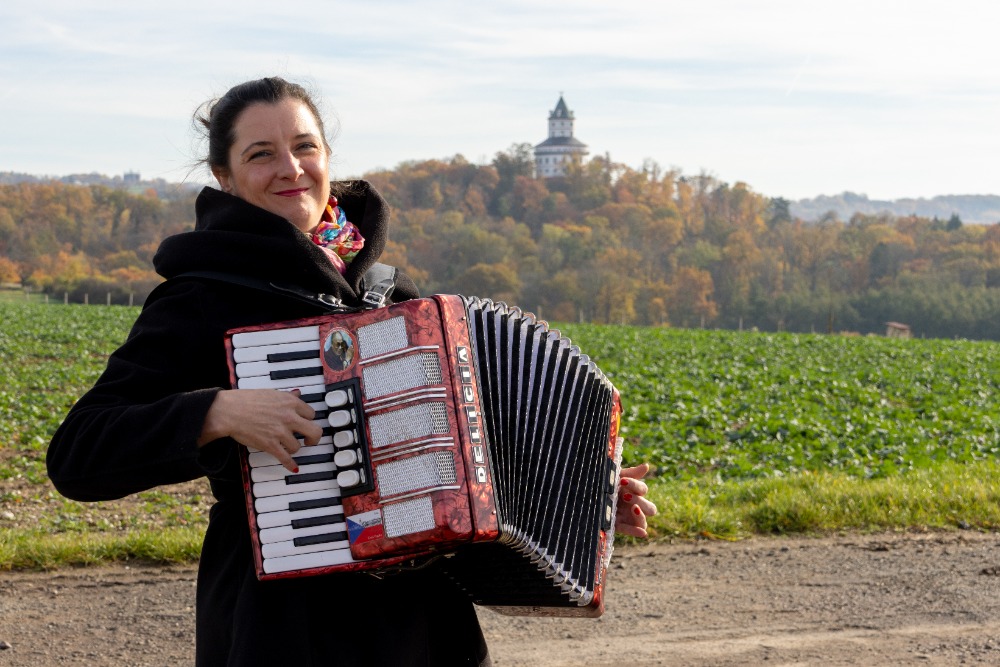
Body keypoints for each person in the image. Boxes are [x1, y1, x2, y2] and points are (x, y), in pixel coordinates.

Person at [46, 76, 656, 667]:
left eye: (305, 146)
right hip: (285, 628)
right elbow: (79, 454)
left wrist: (583, 498)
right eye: (262, 154)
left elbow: (464, 461)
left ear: (327, 157)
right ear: (224, 177)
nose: (291, 167)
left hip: (425, 628)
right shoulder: (201, 298)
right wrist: (216, 411)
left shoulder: (389, 295)